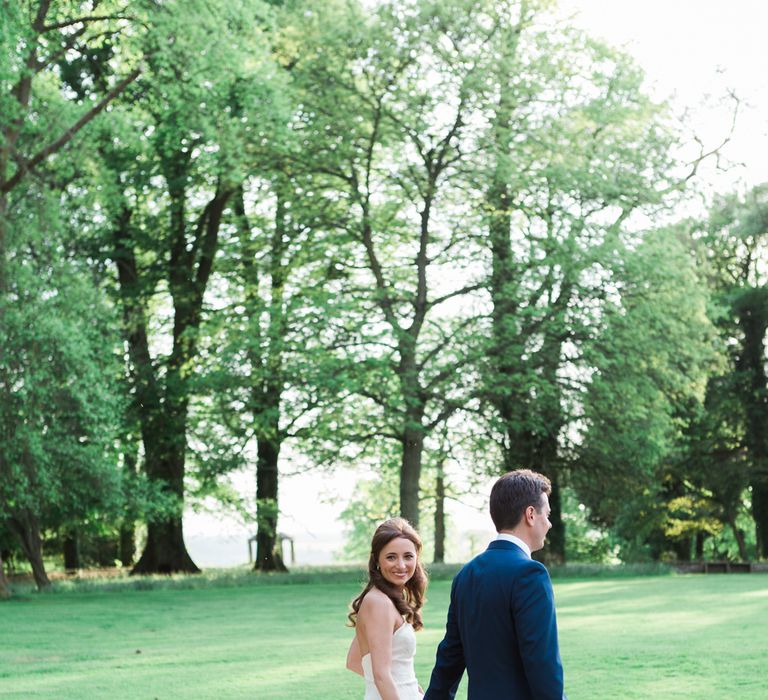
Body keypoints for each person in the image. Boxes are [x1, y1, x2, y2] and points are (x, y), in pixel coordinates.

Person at [424, 469, 567, 700]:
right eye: (547, 515)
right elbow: (542, 663)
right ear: (530, 514)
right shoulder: (530, 574)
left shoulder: (465, 575)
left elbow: (450, 658)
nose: (549, 524)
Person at [346, 517, 428, 699]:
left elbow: (353, 660)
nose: (401, 565)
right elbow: (382, 675)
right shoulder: (378, 603)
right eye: (391, 557)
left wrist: (411, 686)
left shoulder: (383, 599)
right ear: (377, 561)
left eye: (408, 556)